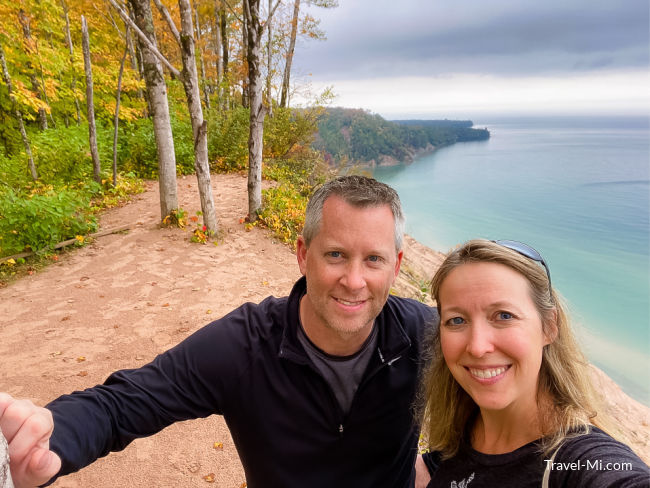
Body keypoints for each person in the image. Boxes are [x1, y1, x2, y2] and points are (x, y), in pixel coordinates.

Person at [0, 175, 437, 488]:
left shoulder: (425, 335)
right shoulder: (245, 346)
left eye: (374, 260)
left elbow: (500, 389)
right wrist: (46, 439)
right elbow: (122, 405)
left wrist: (442, 467)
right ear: (304, 255)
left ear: (396, 267)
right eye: (337, 255)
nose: (355, 280)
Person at [418, 239, 649, 487]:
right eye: (457, 320)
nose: (477, 346)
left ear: (549, 327)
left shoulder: (578, 461)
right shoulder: (460, 437)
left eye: (504, 316)